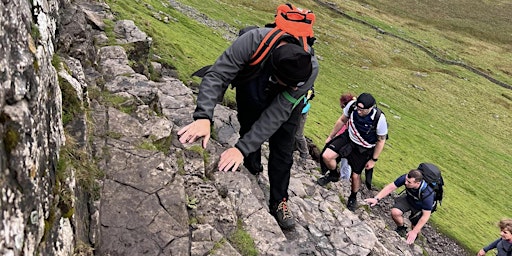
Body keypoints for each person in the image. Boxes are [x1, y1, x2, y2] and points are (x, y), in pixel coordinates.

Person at [178, 24, 319, 230]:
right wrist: (203, 117)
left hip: (290, 105)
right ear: (274, 69)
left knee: (283, 148)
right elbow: (218, 74)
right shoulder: (252, 42)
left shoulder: (310, 70)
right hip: (254, 79)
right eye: (287, 83)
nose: (291, 87)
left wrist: (240, 148)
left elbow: (277, 112)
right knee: (248, 121)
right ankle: (251, 166)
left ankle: (279, 200)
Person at [317, 93, 388, 211]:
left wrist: (373, 159)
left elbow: (381, 140)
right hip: (348, 138)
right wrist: (331, 136)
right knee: (327, 156)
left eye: (362, 110)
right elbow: (342, 119)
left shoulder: (379, 119)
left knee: (355, 175)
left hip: (364, 148)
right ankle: (334, 174)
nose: (358, 111)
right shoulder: (351, 106)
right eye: (357, 108)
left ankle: (353, 196)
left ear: (370, 108)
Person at [364, 169, 435, 244]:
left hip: (421, 208)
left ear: (417, 183)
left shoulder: (427, 194)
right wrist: (376, 199)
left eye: (409, 182)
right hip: (409, 199)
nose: (405, 183)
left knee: (415, 226)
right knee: (395, 212)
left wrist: (414, 231)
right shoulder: (405, 178)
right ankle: (401, 229)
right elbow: (390, 187)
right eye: (406, 180)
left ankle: (414, 239)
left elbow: (426, 216)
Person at [294, 89, 314, 162]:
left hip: (302, 110)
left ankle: (304, 153)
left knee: (298, 134)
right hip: (296, 108)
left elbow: (307, 98)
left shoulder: (309, 87)